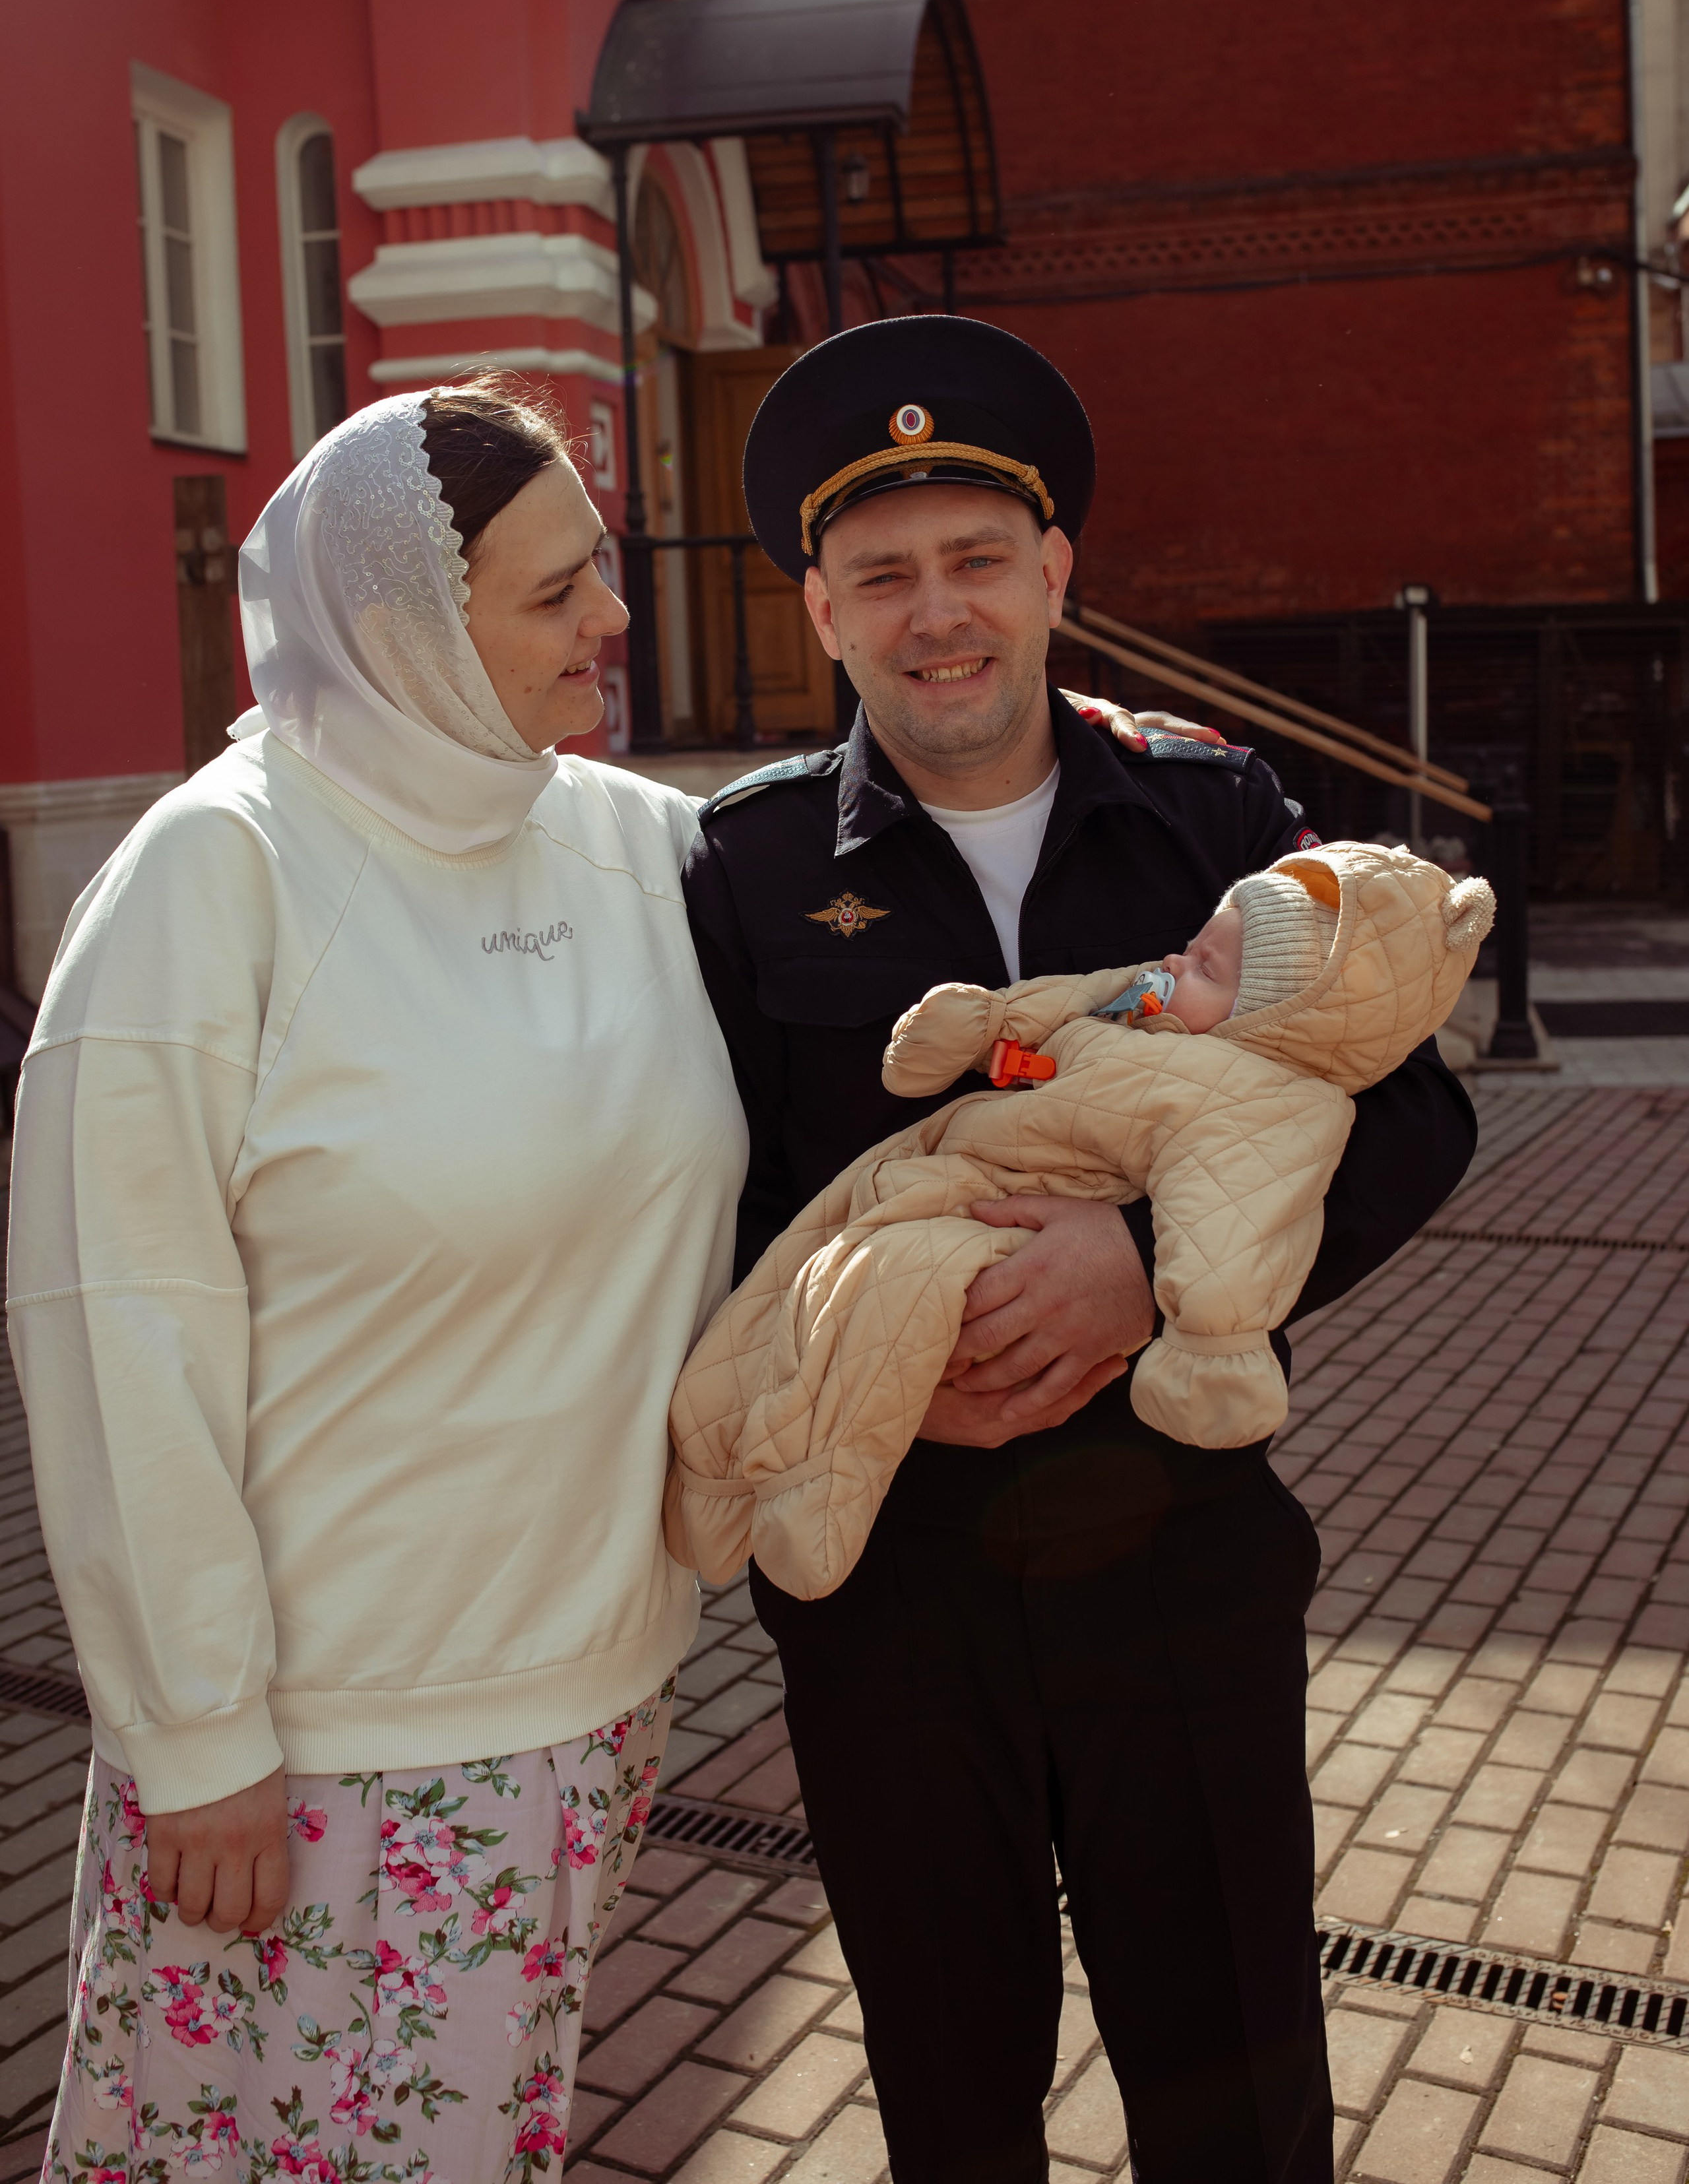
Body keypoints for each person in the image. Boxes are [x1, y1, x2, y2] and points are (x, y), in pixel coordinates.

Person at [680, 313, 1479, 2184]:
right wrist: (821, 1358)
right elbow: (712, 1196)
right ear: (820, 609)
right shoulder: (746, 865)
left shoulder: (1213, 811)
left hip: (1174, 1563)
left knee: (1238, 2088)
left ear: (1054, 574)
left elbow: (1411, 1108)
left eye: (975, 563)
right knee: (953, 2099)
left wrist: (1149, 1267)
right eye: (883, 575)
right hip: (890, 1590)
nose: (936, 613)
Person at [5, 383, 748, 2183]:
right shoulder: (219, 874)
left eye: (607, 574)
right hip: (318, 1749)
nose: (614, 621)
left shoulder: (636, 844)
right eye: (558, 592)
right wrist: (194, 1736)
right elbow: (120, 1331)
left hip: (594, 1690)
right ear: (409, 621)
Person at [666, 839, 1494, 1599]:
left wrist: (1202, 1333)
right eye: (1194, 946)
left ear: (1275, 1018)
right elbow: (1067, 1005)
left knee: (884, 1288)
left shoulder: (1261, 1100)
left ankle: (815, 1491)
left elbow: (1234, 1222)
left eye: (1205, 964)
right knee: (782, 1288)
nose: (1176, 961)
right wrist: (985, 1025)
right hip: (929, 1177)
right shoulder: (761, 844)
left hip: (1007, 1260)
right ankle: (707, 1487)